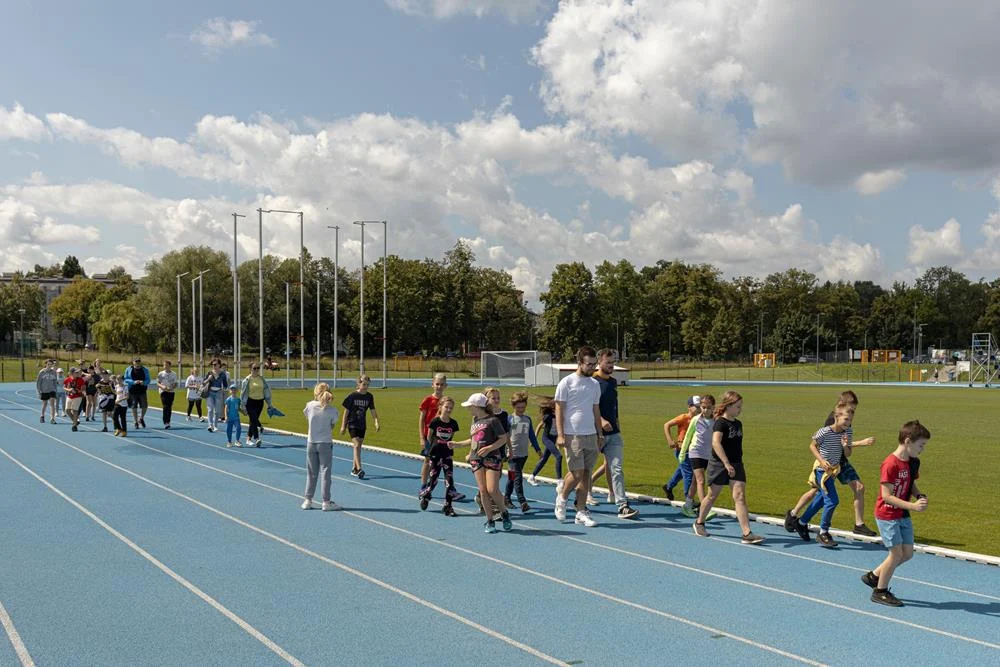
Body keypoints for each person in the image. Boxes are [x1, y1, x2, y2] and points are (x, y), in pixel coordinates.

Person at [785, 391, 877, 537]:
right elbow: (826, 444)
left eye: (854, 411)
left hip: (841, 461)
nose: (853, 413)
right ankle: (797, 516)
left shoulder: (847, 422)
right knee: (819, 493)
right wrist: (862, 442)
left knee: (858, 488)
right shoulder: (833, 421)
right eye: (852, 408)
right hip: (828, 464)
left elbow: (845, 446)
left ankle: (858, 524)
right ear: (842, 405)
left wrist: (848, 445)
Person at [861, 420, 931, 607]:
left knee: (907, 554)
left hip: (903, 514)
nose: (922, 449)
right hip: (887, 514)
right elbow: (886, 496)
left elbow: (910, 483)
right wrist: (912, 506)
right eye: (921, 445)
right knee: (896, 554)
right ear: (908, 441)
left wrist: (918, 495)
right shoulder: (890, 464)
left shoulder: (913, 462)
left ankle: (874, 576)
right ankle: (880, 591)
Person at [693, 390, 764, 544]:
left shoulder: (738, 424)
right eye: (738, 406)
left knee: (739, 496)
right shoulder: (720, 423)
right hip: (719, 464)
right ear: (729, 406)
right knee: (712, 495)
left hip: (737, 464)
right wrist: (726, 463)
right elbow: (715, 443)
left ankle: (747, 533)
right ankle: (699, 522)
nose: (740, 409)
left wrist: (734, 463)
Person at [553, 345, 603, 528]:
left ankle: (580, 510)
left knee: (586, 474)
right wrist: (559, 434)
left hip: (590, 434)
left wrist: (600, 433)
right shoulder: (566, 382)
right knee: (576, 473)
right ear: (579, 362)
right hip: (572, 434)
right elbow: (559, 408)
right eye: (589, 364)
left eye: (594, 365)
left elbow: (596, 409)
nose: (592, 368)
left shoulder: (595, 384)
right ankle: (562, 498)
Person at [792, 402, 855, 548]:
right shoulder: (824, 432)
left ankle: (801, 523)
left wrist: (845, 446)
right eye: (846, 419)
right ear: (836, 417)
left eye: (850, 420)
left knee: (821, 500)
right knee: (832, 501)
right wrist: (821, 460)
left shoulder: (848, 433)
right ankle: (823, 532)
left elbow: (848, 453)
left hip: (833, 471)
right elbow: (812, 445)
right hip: (822, 471)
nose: (848, 423)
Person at [589, 349, 639, 519]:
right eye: (608, 362)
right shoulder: (592, 382)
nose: (612, 366)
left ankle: (622, 505)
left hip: (614, 435)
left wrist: (617, 424)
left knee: (616, 468)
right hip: (594, 434)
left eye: (613, 362)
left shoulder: (613, 382)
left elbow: (614, 407)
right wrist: (601, 421)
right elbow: (587, 407)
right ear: (599, 362)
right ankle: (577, 496)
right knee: (584, 469)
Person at [462, 392, 512, 533]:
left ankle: (504, 513)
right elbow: (474, 439)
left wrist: (489, 448)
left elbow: (502, 438)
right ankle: (490, 520)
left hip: (492, 458)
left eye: (470, 406)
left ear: (477, 406)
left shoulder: (493, 421)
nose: (468, 408)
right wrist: (458, 445)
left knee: (492, 490)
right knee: (483, 491)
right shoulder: (474, 420)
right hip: (476, 459)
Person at [418, 397, 463, 516]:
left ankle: (448, 506)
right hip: (435, 455)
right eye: (446, 407)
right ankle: (426, 496)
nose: (448, 409)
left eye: (451, 408)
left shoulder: (453, 423)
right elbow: (429, 436)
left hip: (447, 455)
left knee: (449, 481)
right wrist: (432, 448)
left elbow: (451, 437)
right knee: (433, 480)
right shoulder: (435, 422)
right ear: (441, 407)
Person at [302, 384, 342, 511]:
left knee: (311, 473)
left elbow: (307, 418)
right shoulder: (332, 410)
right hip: (325, 443)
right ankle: (326, 501)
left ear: (315, 393)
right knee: (325, 473)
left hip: (311, 443)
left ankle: (308, 500)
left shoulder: (309, 406)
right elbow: (332, 425)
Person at [418, 373, 458, 497]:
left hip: (443, 437)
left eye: (442, 384)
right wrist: (422, 437)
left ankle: (451, 488)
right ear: (432, 384)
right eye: (437, 384)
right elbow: (422, 418)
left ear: (445, 385)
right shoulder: (428, 400)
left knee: (446, 462)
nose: (439, 387)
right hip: (430, 436)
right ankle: (423, 486)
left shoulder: (446, 401)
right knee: (427, 461)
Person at [679, 395, 717, 519]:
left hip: (707, 454)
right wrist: (682, 453)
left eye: (709, 408)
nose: (705, 410)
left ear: (713, 407)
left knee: (696, 481)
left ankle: (688, 505)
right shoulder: (696, 419)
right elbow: (688, 436)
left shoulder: (716, 421)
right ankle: (704, 509)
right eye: (703, 407)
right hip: (695, 452)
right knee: (701, 480)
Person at [504, 391, 541, 513]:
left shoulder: (527, 419)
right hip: (512, 454)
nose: (521, 410)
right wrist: (506, 451)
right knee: (518, 477)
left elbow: (532, 436)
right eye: (518, 407)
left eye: (523, 407)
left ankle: (506, 498)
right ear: (513, 406)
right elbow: (505, 436)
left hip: (523, 454)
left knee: (512, 477)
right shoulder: (509, 419)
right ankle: (522, 501)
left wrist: (538, 449)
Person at [340, 375, 381, 479]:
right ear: (358, 384)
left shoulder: (369, 396)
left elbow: (372, 410)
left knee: (358, 447)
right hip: (352, 423)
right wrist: (343, 426)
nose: (366, 386)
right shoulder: (352, 396)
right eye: (364, 384)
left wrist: (376, 421)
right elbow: (346, 412)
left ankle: (354, 468)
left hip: (362, 424)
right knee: (357, 445)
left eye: (367, 384)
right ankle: (359, 469)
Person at [662, 396, 701, 501]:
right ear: (689, 407)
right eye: (696, 407)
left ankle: (668, 486)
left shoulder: (700, 419)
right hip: (682, 450)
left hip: (694, 450)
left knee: (682, 470)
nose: (699, 409)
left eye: (700, 406)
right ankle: (689, 499)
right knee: (689, 474)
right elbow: (667, 425)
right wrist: (670, 440)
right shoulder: (684, 418)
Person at [527, 397, 563, 490]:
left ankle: (531, 477)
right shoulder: (548, 416)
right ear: (553, 407)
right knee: (559, 456)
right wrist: (533, 439)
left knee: (544, 459)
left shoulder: (561, 415)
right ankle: (559, 480)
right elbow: (539, 426)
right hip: (546, 438)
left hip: (554, 439)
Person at [239, 363, 274, 447]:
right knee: (254, 419)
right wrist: (242, 405)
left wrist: (269, 404)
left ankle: (248, 438)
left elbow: (266, 391)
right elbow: (242, 394)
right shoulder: (246, 380)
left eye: (258, 368)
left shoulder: (262, 379)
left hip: (260, 402)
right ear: (250, 369)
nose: (256, 370)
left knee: (253, 421)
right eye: (254, 368)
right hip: (250, 402)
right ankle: (257, 438)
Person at [203, 358, 229, 433]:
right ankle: (210, 425)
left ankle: (215, 425)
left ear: (219, 365)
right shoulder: (209, 373)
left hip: (218, 393)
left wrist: (225, 388)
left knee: (217, 411)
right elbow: (203, 383)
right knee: (210, 409)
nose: (214, 366)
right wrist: (208, 379)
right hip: (210, 392)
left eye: (215, 364)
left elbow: (225, 385)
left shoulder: (222, 374)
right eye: (213, 364)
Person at [124, 357, 151, 429]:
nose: (137, 363)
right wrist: (133, 382)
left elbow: (148, 379)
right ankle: (135, 421)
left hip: (142, 390)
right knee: (134, 406)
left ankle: (141, 418)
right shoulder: (128, 369)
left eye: (138, 361)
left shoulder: (145, 369)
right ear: (133, 362)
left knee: (144, 405)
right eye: (136, 361)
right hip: (132, 390)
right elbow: (125, 379)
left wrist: (144, 382)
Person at [63, 367, 86, 432]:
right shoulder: (67, 379)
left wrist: (82, 392)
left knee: (75, 410)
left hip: (78, 396)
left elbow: (83, 388)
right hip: (69, 396)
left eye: (78, 372)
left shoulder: (80, 380)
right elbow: (64, 387)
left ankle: (74, 426)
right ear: (72, 373)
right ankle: (75, 421)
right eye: (76, 372)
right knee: (67, 410)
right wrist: (69, 389)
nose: (78, 373)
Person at [157, 360, 179, 430]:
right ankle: (165, 421)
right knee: (165, 406)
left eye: (166, 365)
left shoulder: (174, 374)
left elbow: (176, 384)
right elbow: (157, 383)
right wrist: (162, 387)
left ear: (169, 366)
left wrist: (171, 388)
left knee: (169, 407)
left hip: (171, 392)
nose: (165, 366)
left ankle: (168, 421)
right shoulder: (161, 374)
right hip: (163, 392)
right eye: (164, 365)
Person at [36, 358, 59, 424]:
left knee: (52, 404)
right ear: (46, 364)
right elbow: (38, 382)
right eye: (48, 364)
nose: (49, 366)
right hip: (44, 390)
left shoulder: (54, 372)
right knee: (45, 403)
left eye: (51, 364)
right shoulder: (42, 372)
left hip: (52, 390)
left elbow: (55, 381)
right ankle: (42, 416)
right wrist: (39, 391)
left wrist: (55, 390)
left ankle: (52, 418)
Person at [224, 384, 243, 448]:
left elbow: (238, 408)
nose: (233, 390)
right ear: (230, 391)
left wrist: (243, 412)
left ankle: (237, 441)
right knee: (229, 429)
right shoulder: (228, 399)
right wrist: (226, 416)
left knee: (238, 428)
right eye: (232, 389)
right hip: (230, 418)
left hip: (236, 417)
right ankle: (229, 442)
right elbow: (226, 408)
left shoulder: (238, 399)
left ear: (237, 390)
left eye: (234, 389)